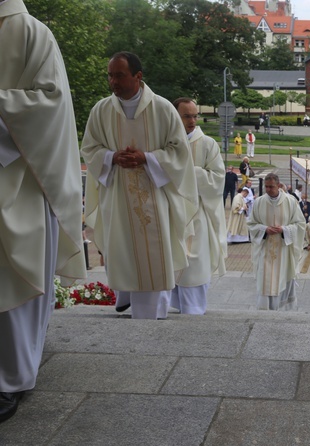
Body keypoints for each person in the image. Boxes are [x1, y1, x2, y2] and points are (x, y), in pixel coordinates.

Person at [0, 0, 87, 423]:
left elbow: (51, 104)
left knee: (14, 276)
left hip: (22, 180)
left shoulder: (30, 32)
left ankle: (11, 380)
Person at [81, 52, 198, 320]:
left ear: (138, 76)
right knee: (125, 255)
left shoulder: (163, 108)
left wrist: (146, 158)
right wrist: (111, 157)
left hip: (155, 198)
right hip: (119, 198)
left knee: (155, 260)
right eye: (110, 75)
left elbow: (179, 152)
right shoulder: (101, 110)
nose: (113, 81)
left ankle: (154, 317)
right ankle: (129, 305)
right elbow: (89, 148)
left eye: (119, 75)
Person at [170, 98, 227, 315]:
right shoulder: (167, 142)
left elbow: (218, 179)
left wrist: (188, 172)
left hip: (197, 215)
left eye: (195, 116)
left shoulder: (207, 144)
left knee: (193, 266)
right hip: (170, 214)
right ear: (176, 116)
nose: (192, 121)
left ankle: (194, 311)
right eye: (187, 116)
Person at [247, 173, 306, 310]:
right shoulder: (259, 202)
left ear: (279, 186)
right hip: (265, 250)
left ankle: (281, 309)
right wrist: (264, 229)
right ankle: (264, 309)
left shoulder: (290, 201)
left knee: (282, 279)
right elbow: (251, 224)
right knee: (264, 279)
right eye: (266, 187)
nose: (268, 190)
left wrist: (284, 230)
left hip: (283, 251)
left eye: (271, 187)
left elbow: (300, 224)